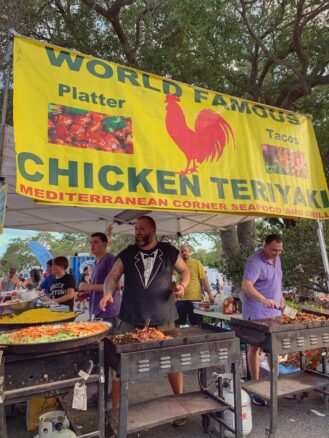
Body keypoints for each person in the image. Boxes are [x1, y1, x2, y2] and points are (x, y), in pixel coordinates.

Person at [100, 216, 190, 413]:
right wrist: (108, 292)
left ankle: (180, 404)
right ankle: (116, 412)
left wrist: (182, 286)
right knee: (119, 364)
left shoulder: (169, 250)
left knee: (172, 361)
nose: (137, 232)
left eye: (141, 228)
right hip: (131, 315)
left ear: (153, 230)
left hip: (165, 315)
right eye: (135, 229)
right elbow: (113, 276)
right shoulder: (127, 253)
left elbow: (185, 272)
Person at [241, 234, 284, 405]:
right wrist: (262, 299)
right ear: (265, 246)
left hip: (274, 312)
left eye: (280, 250)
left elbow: (277, 282)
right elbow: (247, 285)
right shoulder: (254, 261)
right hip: (257, 311)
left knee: (275, 348)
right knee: (255, 347)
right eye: (274, 250)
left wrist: (281, 298)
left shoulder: (277, 259)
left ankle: (274, 382)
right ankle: (256, 385)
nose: (277, 253)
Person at [78, 232, 120, 329]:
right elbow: (100, 286)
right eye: (91, 242)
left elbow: (117, 286)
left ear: (105, 244)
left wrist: (89, 287)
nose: (92, 245)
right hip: (95, 310)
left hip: (107, 311)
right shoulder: (95, 262)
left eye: (96, 242)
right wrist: (88, 293)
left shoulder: (110, 259)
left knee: (107, 342)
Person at [176, 244, 215, 326]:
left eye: (185, 251)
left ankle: (195, 339)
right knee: (177, 324)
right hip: (180, 299)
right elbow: (172, 281)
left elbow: (204, 280)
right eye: (181, 251)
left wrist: (210, 295)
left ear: (189, 252)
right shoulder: (176, 265)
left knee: (196, 325)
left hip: (195, 300)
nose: (183, 253)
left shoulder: (197, 263)